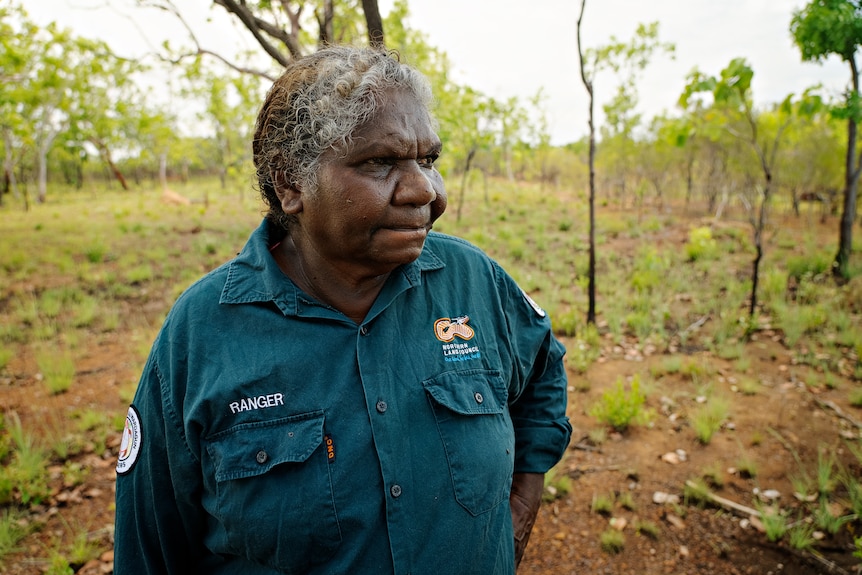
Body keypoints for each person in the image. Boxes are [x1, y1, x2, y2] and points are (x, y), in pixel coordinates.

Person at [113, 45, 571, 575]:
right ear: (290, 183)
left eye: (427, 161)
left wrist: (519, 507)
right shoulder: (201, 334)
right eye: (380, 163)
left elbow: (542, 369)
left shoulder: (474, 281)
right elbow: (151, 549)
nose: (425, 190)